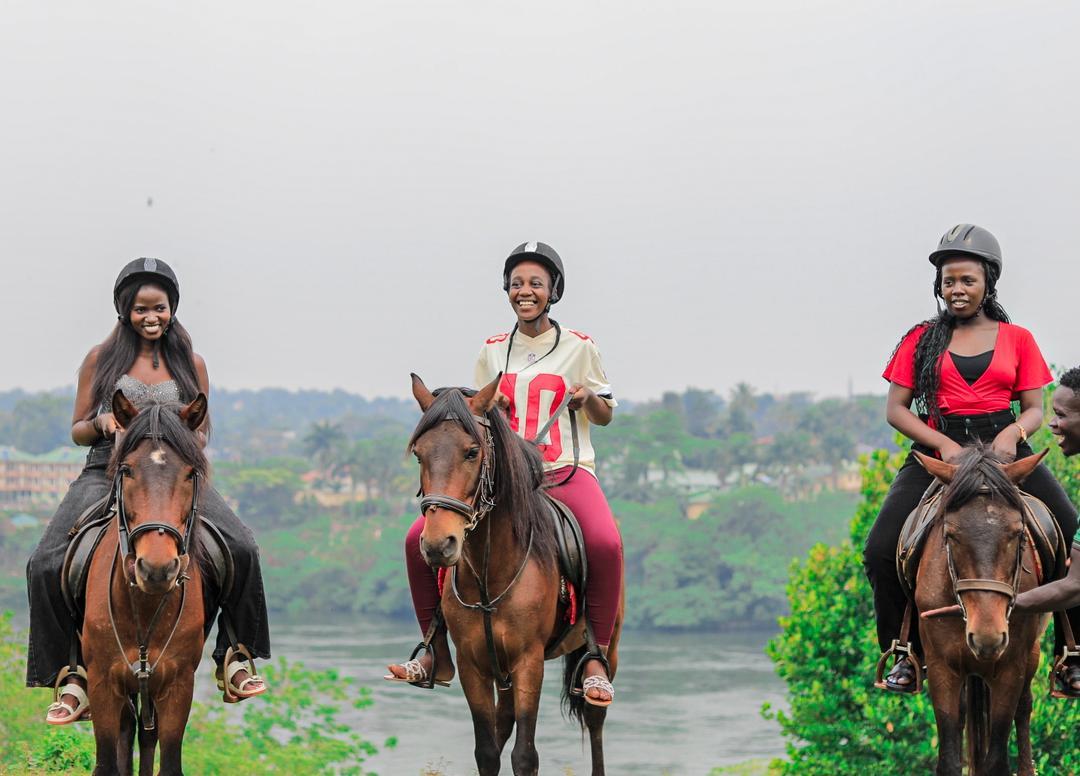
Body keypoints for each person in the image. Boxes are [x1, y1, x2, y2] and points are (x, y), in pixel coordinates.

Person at [26, 258, 271, 724]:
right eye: (141, 309)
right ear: (125, 310)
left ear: (172, 308)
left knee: (242, 545)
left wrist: (179, 442)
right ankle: (70, 672)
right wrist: (101, 422)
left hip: (176, 474)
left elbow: (200, 430)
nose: (151, 317)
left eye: (159, 307)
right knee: (44, 563)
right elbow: (76, 428)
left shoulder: (191, 363)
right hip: (107, 469)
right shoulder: (100, 359)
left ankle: (235, 654)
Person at [386, 241, 624, 706]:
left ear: (553, 290)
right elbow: (479, 417)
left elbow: (606, 413)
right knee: (418, 537)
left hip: (566, 471)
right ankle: (436, 649)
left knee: (605, 542)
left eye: (535, 283)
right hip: (509, 480)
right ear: (507, 291)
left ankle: (594, 653)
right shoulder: (492, 351)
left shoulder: (580, 347)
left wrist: (584, 399)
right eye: (517, 284)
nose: (525, 291)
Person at [862, 224, 1079, 694]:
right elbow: (896, 410)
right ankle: (904, 654)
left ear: (988, 284)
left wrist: (1013, 433)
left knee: (1067, 528)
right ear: (938, 286)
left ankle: (1072, 652)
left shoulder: (1018, 337)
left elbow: (1037, 407)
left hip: (1003, 448)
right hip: (937, 450)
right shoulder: (920, 339)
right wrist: (939, 445)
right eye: (948, 281)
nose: (957, 290)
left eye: (967, 280)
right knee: (880, 550)